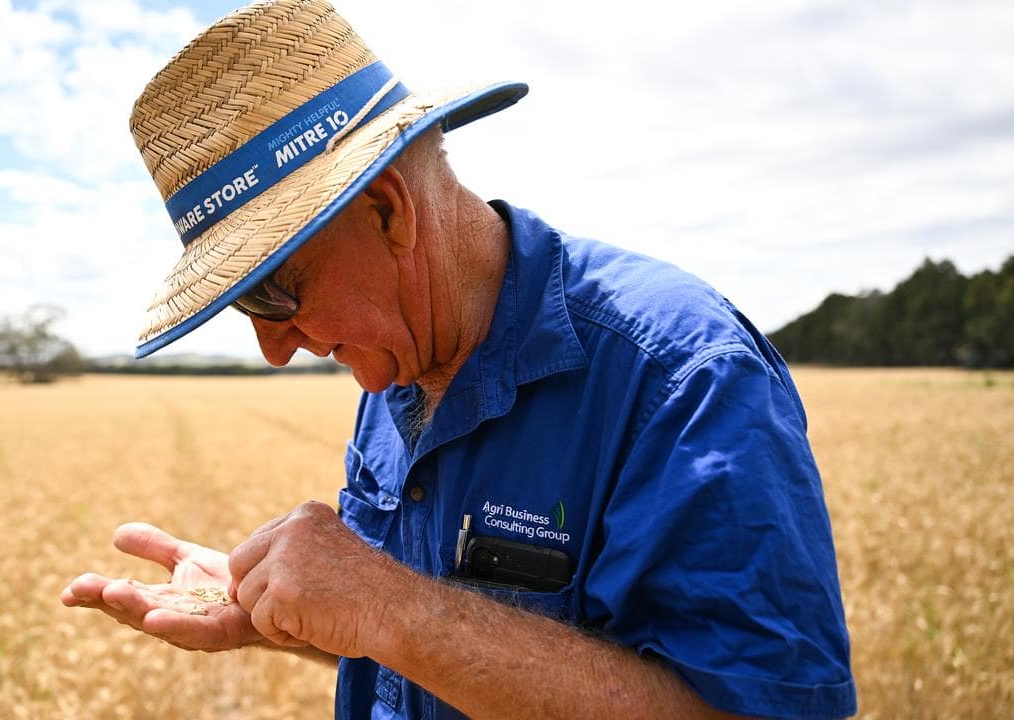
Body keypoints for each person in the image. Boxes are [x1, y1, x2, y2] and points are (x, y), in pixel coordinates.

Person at [61, 1, 857, 718]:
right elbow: (439, 654)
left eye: (275, 293)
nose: (274, 347)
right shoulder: (393, 366)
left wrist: (390, 607)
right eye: (247, 307)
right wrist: (283, 616)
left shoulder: (680, 376)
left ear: (386, 211)